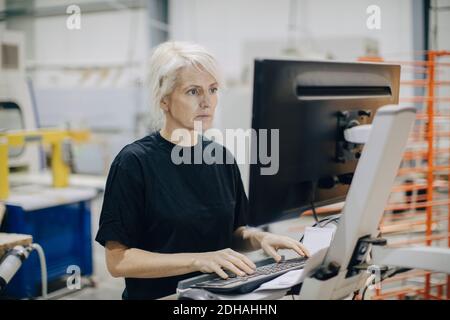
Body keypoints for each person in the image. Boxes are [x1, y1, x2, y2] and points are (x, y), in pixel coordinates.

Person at [95, 41, 309, 300]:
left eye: (213, 89)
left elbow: (233, 232)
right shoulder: (134, 163)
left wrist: (258, 239)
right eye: (193, 91)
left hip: (219, 296)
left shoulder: (221, 158)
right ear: (164, 100)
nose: (207, 102)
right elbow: (117, 261)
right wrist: (197, 261)